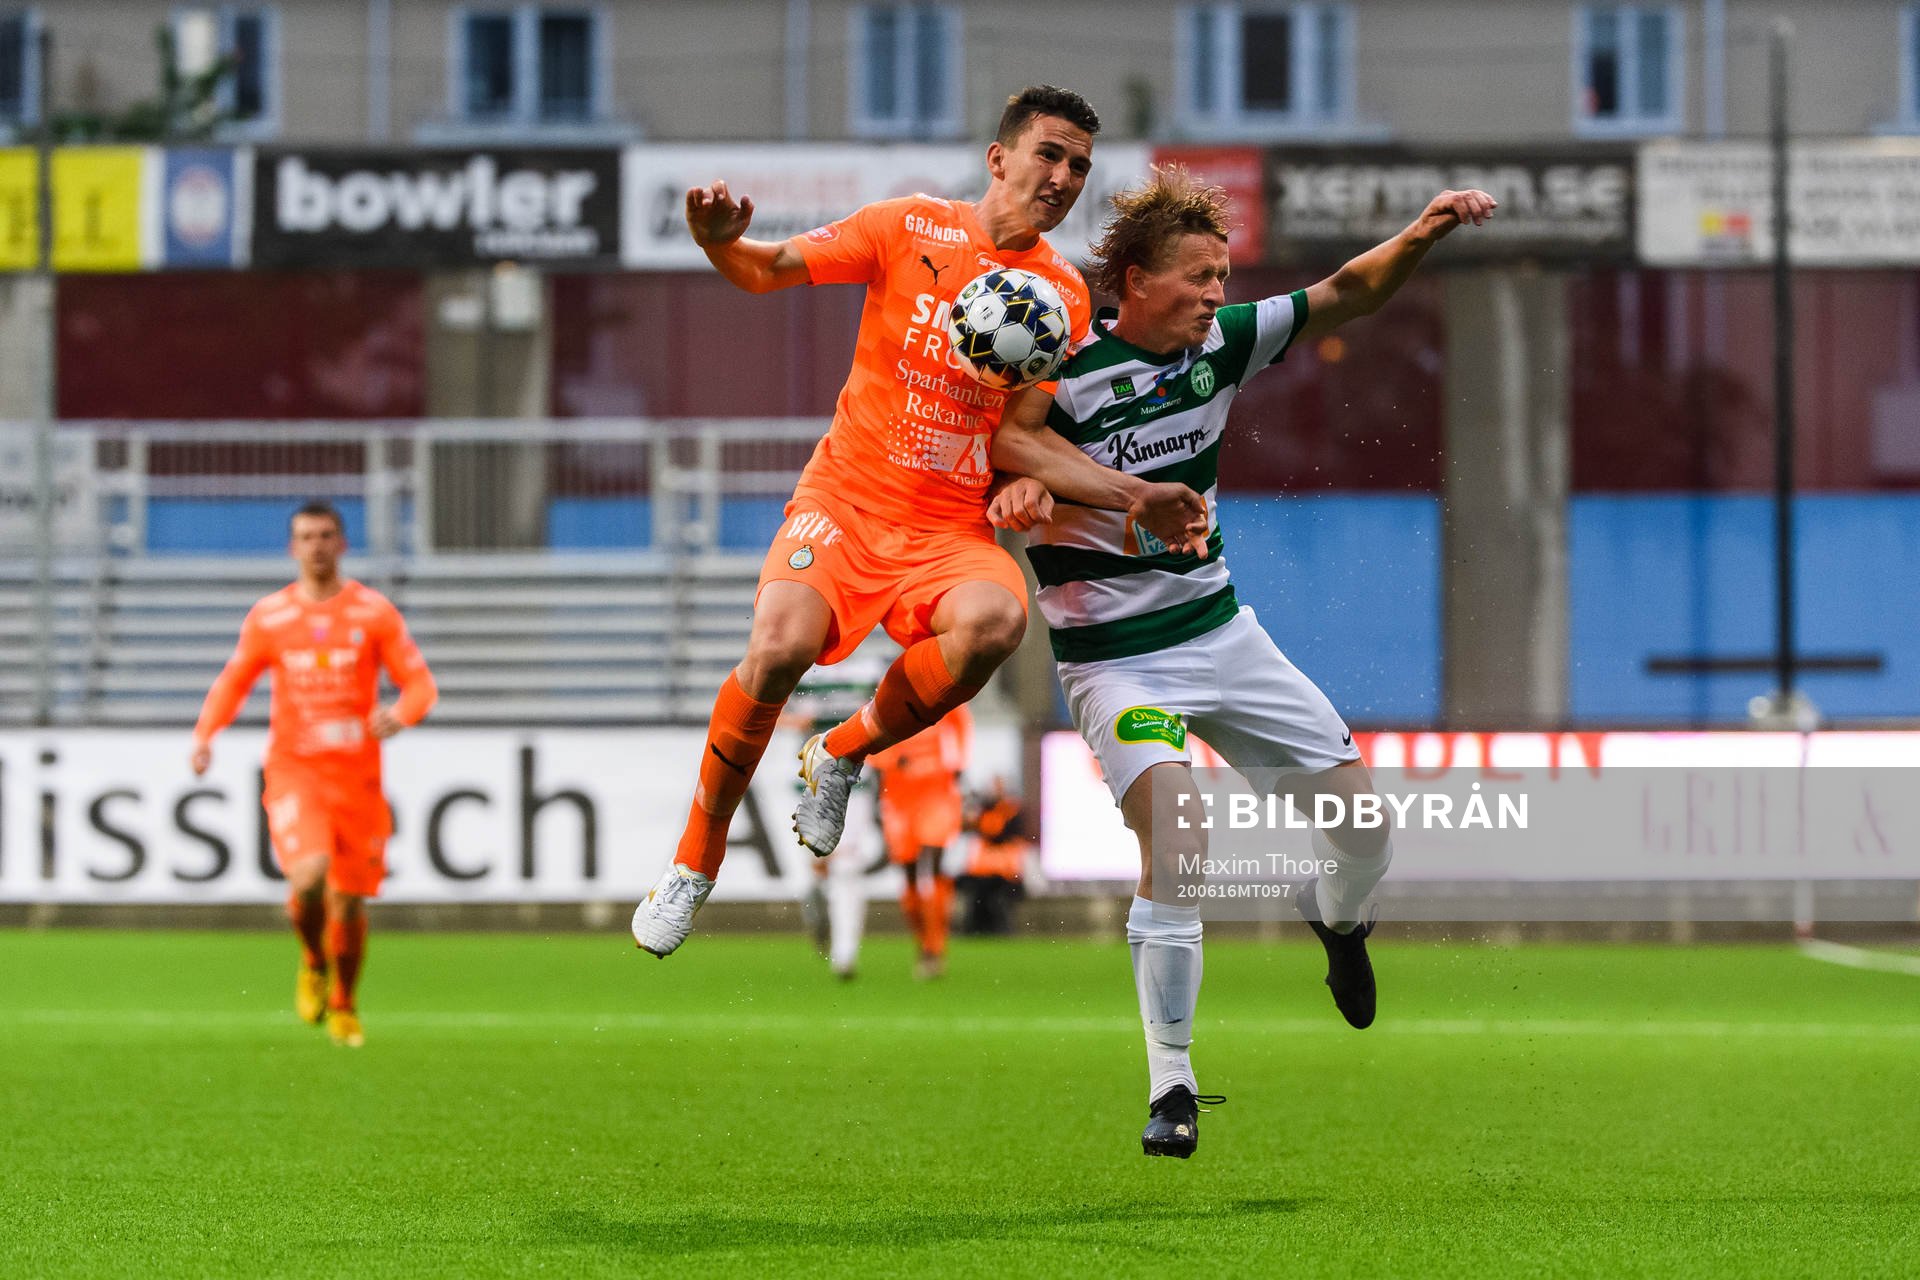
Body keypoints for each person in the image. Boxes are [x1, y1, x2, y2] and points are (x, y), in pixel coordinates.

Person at [988, 166, 1496, 1156]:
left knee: (1365, 834)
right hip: (1115, 662)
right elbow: (1009, 445)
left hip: (1223, 634)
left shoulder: (1220, 346)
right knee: (1180, 834)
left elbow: (1347, 291)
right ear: (1132, 277)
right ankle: (1172, 1083)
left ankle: (1337, 918)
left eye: (1225, 275)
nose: (1218, 295)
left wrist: (1425, 231)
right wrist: (1032, 496)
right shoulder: (1059, 365)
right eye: (1199, 276)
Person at [632, 86, 1209, 958]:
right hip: (847, 501)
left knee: (999, 620)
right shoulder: (906, 227)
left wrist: (1066, 492)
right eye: (1049, 154)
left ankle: (845, 748)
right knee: (778, 650)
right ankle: (693, 863)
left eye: (1080, 165)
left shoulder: (1061, 295)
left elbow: (1020, 440)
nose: (1063, 176)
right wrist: (720, 242)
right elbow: (764, 269)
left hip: (945, 530)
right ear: (999, 157)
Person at [191, 501, 438, 1048]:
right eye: (306, 536)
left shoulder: (373, 613)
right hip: (294, 769)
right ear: (292, 547)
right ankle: (311, 960)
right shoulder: (270, 616)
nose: (317, 545)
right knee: (307, 878)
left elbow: (420, 683)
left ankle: (345, 1003)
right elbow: (235, 680)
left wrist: (400, 713)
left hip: (357, 778)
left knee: (348, 901)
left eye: (326, 535)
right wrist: (205, 733)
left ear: (342, 544)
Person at [867, 703, 972, 979]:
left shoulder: (939, 687)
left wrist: (959, 761)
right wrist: (891, 761)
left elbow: (960, 721)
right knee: (910, 874)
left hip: (936, 790)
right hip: (900, 798)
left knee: (935, 864)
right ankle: (923, 943)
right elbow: (873, 739)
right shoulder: (889, 692)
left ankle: (936, 946)